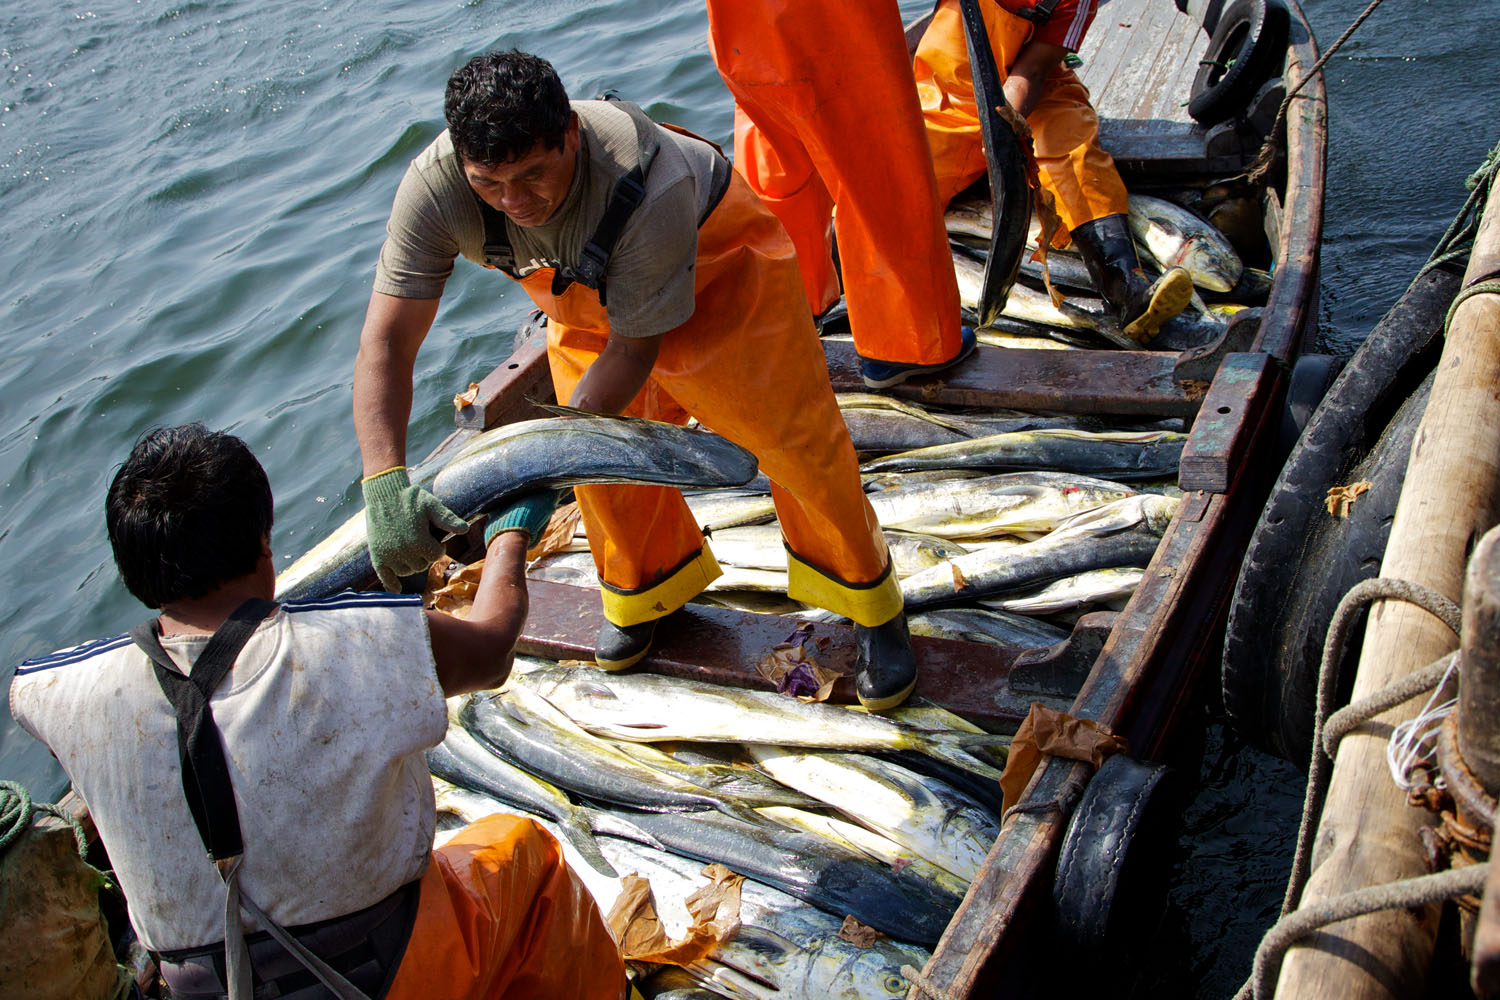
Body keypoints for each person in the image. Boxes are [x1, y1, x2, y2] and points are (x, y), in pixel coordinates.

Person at [353, 50, 919, 709]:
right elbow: (387, 340)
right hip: (586, 303)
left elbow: (633, 349)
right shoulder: (436, 188)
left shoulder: (647, 181)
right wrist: (383, 480)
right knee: (602, 471)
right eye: (490, 185)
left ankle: (873, 605)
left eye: (534, 175)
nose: (515, 202)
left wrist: (544, 467)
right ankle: (651, 594)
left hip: (719, 276)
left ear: (570, 134)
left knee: (796, 445)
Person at [9, 424, 624, 1000]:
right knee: (523, 853)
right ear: (263, 544)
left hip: (212, 988)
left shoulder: (60, 694)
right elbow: (491, 652)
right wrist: (509, 536)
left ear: (135, 574)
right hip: (386, 971)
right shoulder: (355, 639)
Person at [704, 0, 976, 389]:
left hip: (742, 34)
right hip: (830, 27)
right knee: (879, 172)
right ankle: (905, 347)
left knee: (779, 164)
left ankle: (790, 323)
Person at [912, 0, 1194, 343]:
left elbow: (1032, 71)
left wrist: (1006, 124)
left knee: (1076, 157)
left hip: (1031, 86)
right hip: (945, 92)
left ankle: (1125, 285)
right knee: (900, 189)